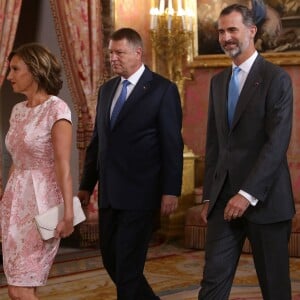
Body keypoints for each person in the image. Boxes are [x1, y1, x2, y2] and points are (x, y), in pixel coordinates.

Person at [78, 27, 183, 300]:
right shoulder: (107, 90)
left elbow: (172, 145)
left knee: (127, 267)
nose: (113, 58)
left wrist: (171, 190)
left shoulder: (162, 89)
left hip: (142, 194)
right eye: (110, 53)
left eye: (119, 53)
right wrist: (85, 186)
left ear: (138, 53)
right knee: (112, 261)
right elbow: (98, 143)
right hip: (110, 195)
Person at [199, 4, 294, 300]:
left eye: (232, 30)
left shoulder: (276, 79)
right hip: (224, 200)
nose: (226, 37)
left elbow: (276, 143)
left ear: (251, 31)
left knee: (274, 288)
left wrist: (247, 193)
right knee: (212, 282)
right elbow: (215, 144)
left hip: (265, 200)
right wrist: (208, 195)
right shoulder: (218, 83)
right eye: (221, 31)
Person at [0, 43, 74, 300]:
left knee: (21, 289)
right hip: (14, 204)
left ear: (34, 70)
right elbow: (17, 160)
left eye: (15, 69)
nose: (9, 76)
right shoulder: (17, 110)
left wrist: (68, 212)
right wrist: (4, 202)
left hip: (43, 205)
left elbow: (63, 166)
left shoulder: (57, 109)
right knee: (15, 289)